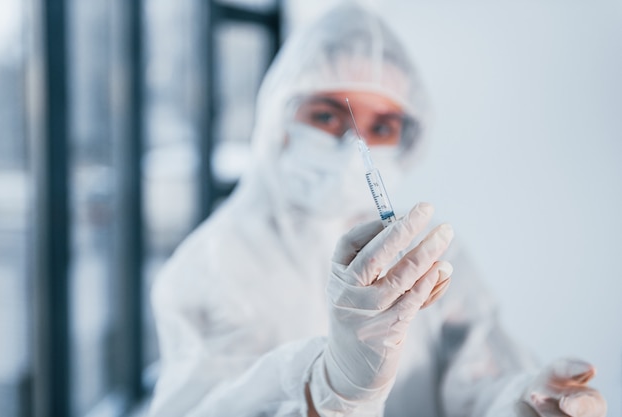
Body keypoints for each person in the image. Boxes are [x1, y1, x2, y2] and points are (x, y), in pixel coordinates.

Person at [148, 2, 607, 416]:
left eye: (381, 126)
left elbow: (479, 377)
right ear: (277, 121)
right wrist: (330, 387)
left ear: (405, 140)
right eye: (327, 116)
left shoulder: (421, 254)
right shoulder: (212, 264)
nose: (355, 148)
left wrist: (522, 403)